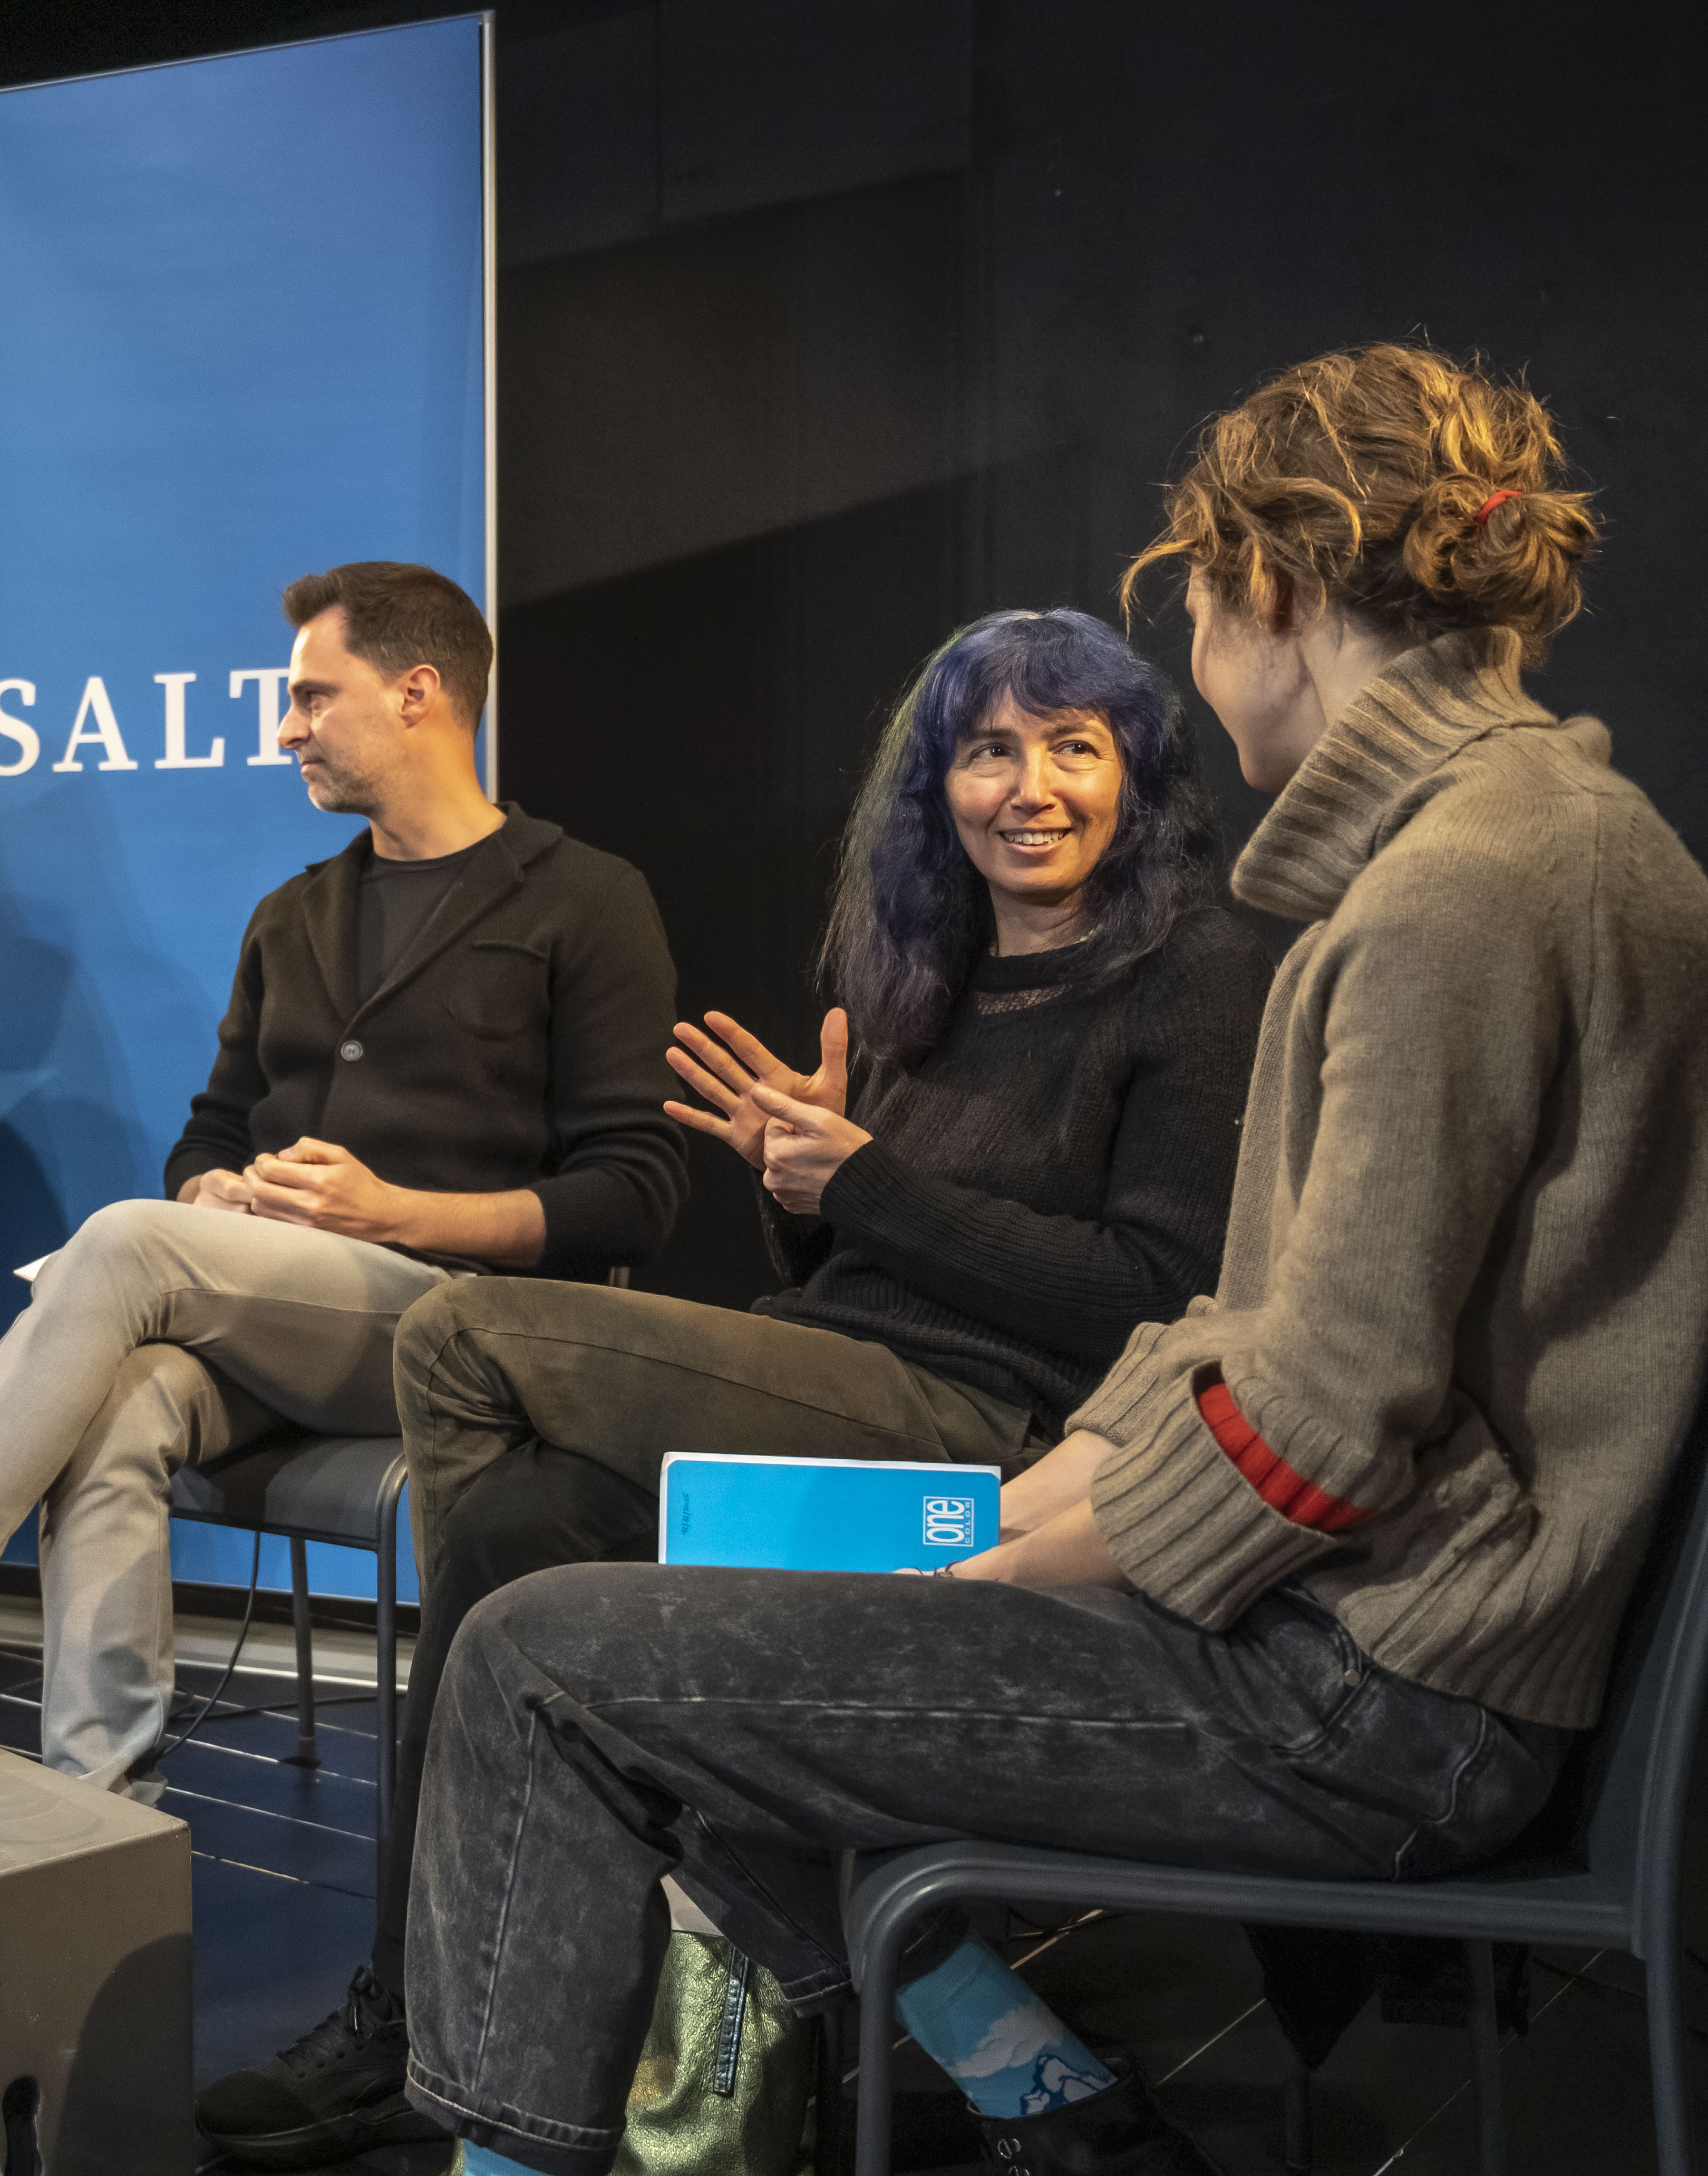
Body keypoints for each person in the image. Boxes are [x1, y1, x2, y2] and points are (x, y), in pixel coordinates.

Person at [404, 343, 1708, 2176]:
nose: (1195, 664)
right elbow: (1257, 1334)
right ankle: (1033, 2081)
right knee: (644, 1600)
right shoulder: (1531, 841)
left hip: (1366, 1700)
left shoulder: (1458, 891)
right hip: (1378, 1651)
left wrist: (1005, 1556)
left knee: (539, 1659)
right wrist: (1028, 1504)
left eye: (1189, 619)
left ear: (1269, 588)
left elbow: (1321, 1427)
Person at [198, 606, 1275, 2165]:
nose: (1029, 788)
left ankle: (415, 2011)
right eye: (988, 751)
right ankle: (966, 2037)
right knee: (523, 1551)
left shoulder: (1200, 975)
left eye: (1073, 747)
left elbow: (1151, 1299)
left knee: (463, 1339)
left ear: (1138, 774)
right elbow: (846, 1275)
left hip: (1023, 1444)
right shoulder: (928, 969)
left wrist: (870, 1187)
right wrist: (801, 1190)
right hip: (854, 1380)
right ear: (938, 783)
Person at [0, 560, 689, 1793]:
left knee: (128, 1244)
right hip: (293, 1323)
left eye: (311, 696)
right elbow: (208, 1135)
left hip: (473, 1331)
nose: (286, 729)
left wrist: (394, 1212)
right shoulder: (293, 914)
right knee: (119, 1407)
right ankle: (102, 1814)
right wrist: (214, 1194)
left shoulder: (586, 900)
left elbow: (636, 1194)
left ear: (417, 693)